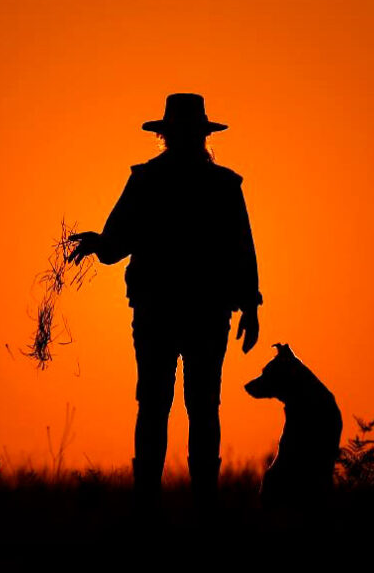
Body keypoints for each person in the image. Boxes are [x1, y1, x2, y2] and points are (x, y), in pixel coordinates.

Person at [67, 93, 262, 506]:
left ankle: (147, 506)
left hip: (157, 310)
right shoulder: (224, 186)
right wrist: (250, 306)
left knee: (155, 402)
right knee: (203, 403)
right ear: (202, 135)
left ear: (165, 136)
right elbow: (242, 249)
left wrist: (97, 244)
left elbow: (115, 245)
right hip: (207, 312)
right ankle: (203, 505)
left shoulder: (147, 181)